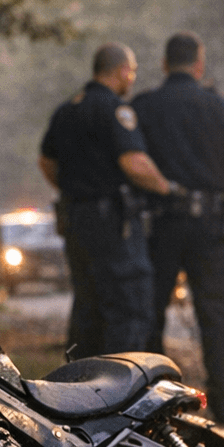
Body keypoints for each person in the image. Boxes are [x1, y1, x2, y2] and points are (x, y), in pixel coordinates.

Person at [131, 32, 224, 424]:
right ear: (199, 65)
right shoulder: (221, 109)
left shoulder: (143, 108)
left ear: (165, 64)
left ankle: (151, 400)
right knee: (216, 316)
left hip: (160, 226)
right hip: (211, 227)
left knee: (150, 314)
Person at [39, 43, 175, 358]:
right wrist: (166, 187)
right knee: (129, 307)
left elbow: (46, 163)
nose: (133, 78)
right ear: (122, 70)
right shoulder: (115, 109)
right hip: (112, 225)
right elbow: (134, 164)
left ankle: (78, 389)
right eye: (133, 71)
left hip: (75, 221)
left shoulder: (67, 110)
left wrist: (75, 191)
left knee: (87, 306)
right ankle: (118, 389)